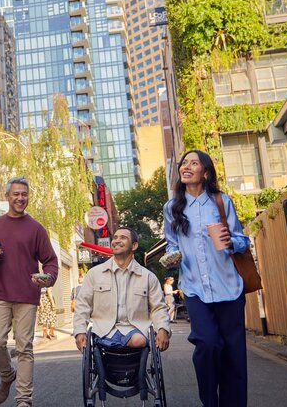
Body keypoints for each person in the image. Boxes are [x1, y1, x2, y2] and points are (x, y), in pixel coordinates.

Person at [163, 150, 251, 407]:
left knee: (234, 356)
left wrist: (229, 241)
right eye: (183, 163)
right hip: (194, 287)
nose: (186, 167)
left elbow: (241, 239)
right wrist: (172, 256)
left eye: (193, 163)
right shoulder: (172, 208)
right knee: (208, 343)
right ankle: (210, 402)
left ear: (206, 172)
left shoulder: (221, 202)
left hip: (228, 286)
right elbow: (171, 243)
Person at [0, 177, 58, 407]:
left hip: (27, 295)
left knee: (25, 347)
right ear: (7, 196)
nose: (20, 198)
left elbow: (50, 261)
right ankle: (6, 376)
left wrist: (48, 278)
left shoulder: (36, 229)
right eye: (16, 194)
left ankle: (24, 400)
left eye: (24, 194)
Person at [73, 228, 171, 353]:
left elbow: (159, 308)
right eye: (115, 237)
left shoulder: (148, 277)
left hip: (136, 330)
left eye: (123, 238)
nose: (117, 241)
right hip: (103, 331)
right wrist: (80, 331)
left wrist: (163, 329)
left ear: (134, 245)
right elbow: (83, 305)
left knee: (138, 340)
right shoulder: (94, 274)